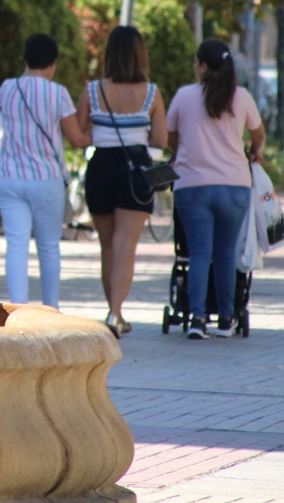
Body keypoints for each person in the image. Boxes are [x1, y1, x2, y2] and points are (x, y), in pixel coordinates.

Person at [167, 39, 265, 340]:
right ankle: (226, 319)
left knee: (198, 253)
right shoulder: (243, 97)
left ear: (204, 66)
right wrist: (252, 152)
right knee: (225, 254)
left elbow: (171, 138)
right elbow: (258, 136)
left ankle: (196, 319)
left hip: (192, 186)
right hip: (234, 186)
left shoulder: (184, 96)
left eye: (196, 62)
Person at [75, 26, 167, 337]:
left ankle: (115, 311)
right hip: (136, 170)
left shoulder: (92, 91)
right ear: (141, 54)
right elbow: (160, 139)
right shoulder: (152, 93)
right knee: (126, 246)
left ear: (109, 54)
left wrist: (98, 132)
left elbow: (79, 132)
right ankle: (115, 313)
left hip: (100, 166)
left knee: (107, 247)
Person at [0, 34, 91, 309]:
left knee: (16, 245)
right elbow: (76, 139)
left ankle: (17, 308)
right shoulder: (58, 93)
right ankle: (51, 308)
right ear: (53, 63)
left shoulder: (7, 88)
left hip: (10, 177)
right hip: (46, 178)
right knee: (48, 247)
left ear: (25, 60)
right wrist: (93, 133)